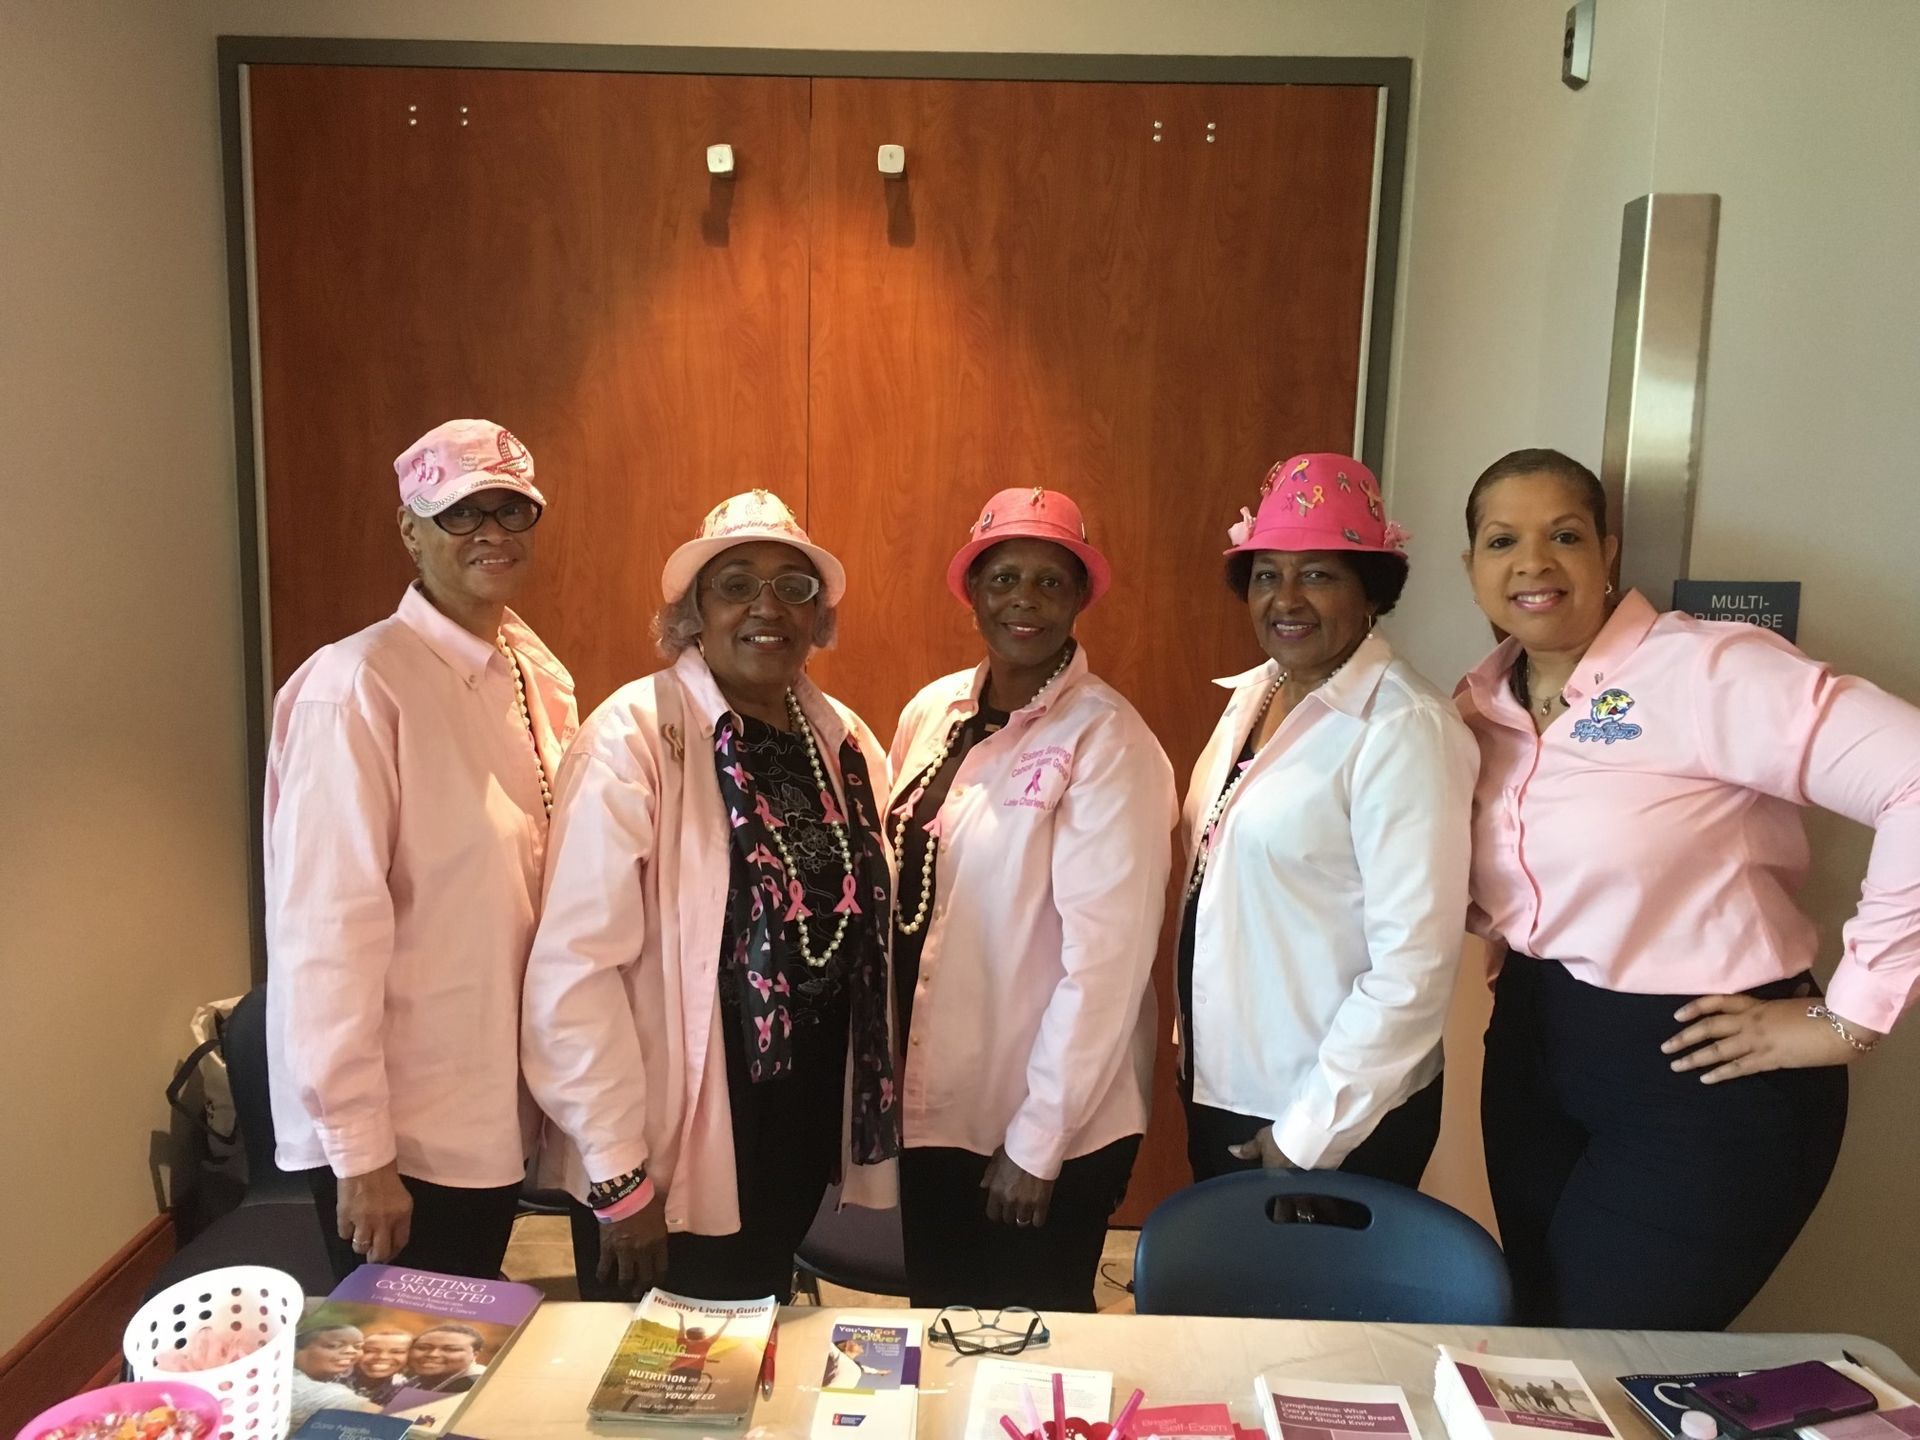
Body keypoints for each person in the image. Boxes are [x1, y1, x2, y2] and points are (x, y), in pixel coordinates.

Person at [1457, 447, 1920, 1329]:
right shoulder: (1483, 708)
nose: (1533, 563)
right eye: (1500, 540)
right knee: (1535, 1344)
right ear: (1472, 565)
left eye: (1564, 534)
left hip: (1701, 1075)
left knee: (1611, 1357)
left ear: (1608, 550)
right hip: (1534, 1053)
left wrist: (1850, 1017)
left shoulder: (1708, 672)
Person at [522, 490, 899, 1303]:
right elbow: (575, 972)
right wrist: (620, 1175)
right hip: (671, 1139)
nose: (768, 608)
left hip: (794, 1120)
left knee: (752, 1340)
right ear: (693, 610)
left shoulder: (843, 740)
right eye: (736, 584)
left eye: (794, 588)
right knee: (651, 1395)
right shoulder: (632, 737)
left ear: (818, 616)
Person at [266, 419, 576, 1282]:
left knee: (459, 1357)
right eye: (460, 512)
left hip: (489, 1109)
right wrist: (362, 1154)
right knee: (399, 1394)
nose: (492, 533)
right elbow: (324, 937)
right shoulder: (356, 687)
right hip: (403, 1137)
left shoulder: (531, 673)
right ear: (409, 528)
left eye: (511, 511)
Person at [889, 487, 1175, 1313]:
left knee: (1029, 1356)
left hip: (1043, 1120)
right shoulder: (933, 711)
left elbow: (1108, 968)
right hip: (938, 1104)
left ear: (1082, 597)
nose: (1024, 600)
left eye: (1052, 582)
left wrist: (1039, 1141)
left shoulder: (1107, 741)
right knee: (943, 1331)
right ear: (971, 589)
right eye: (1004, 576)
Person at [1180, 454, 1478, 1187]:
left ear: (1371, 592)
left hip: (1325, 1113)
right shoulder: (1255, 696)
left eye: (1317, 574)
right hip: (1231, 1087)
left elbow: (1413, 965)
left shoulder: (1404, 727)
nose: (1286, 599)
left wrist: (1311, 1132)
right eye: (1266, 574)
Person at [290, 1324, 379, 1426]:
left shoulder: (344, 1376)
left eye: (358, 1346)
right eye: (334, 1345)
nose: (351, 1351)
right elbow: (392, 1419)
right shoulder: (292, 1384)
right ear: (294, 1350)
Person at [406, 1323, 489, 1394]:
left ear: (475, 1355)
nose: (433, 1354)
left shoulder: (478, 1387)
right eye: (423, 1347)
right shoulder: (412, 1382)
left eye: (450, 1349)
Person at [347, 1325, 413, 1404]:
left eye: (397, 1352)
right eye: (370, 1351)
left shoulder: (407, 1388)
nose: (382, 1357)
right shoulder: (335, 1379)